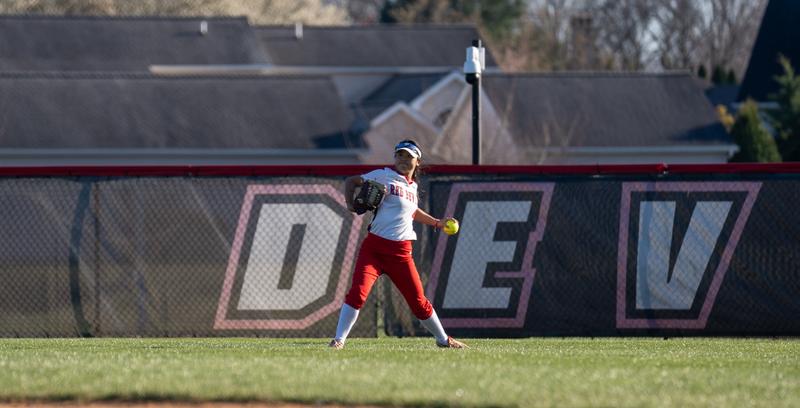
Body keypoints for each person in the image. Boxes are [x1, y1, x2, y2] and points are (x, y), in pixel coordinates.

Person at [329, 139, 467, 349]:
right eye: (399, 155)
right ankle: (339, 340)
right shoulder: (384, 175)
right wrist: (350, 204)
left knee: (418, 302)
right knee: (358, 293)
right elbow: (351, 181)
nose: (403, 160)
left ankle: (443, 339)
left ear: (417, 161)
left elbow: (411, 211)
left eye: (408, 156)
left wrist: (437, 222)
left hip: (401, 254)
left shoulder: (413, 187)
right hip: (374, 249)